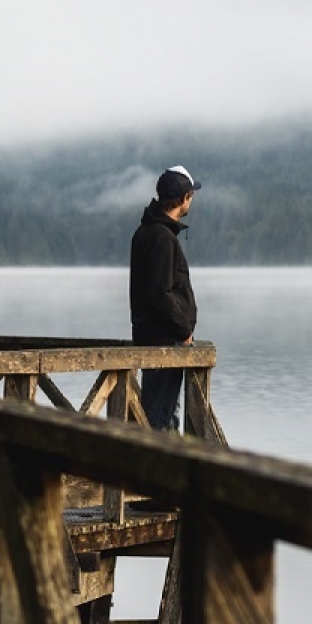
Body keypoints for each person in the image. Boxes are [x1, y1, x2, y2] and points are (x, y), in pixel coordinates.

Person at [129, 165, 201, 431]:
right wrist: (184, 331)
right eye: (191, 196)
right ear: (184, 199)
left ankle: (155, 470)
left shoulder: (146, 233)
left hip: (154, 340)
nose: (191, 201)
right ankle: (149, 472)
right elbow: (161, 293)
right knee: (158, 420)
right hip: (165, 343)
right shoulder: (162, 238)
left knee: (163, 418)